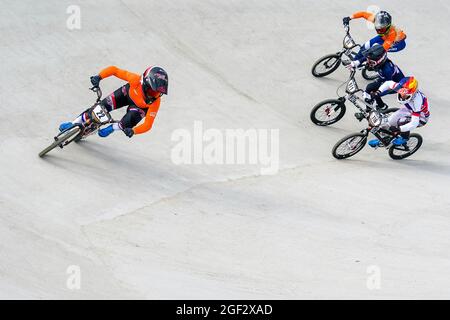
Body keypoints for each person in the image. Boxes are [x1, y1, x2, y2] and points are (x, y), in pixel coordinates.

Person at [59, 65, 169, 138]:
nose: (154, 94)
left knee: (127, 122)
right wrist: (99, 76)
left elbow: (148, 125)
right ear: (144, 83)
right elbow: (115, 70)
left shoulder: (156, 101)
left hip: (139, 108)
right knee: (99, 108)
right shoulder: (135, 80)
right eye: (152, 90)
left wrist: (133, 131)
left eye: (158, 93)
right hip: (126, 94)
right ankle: (73, 124)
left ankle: (113, 127)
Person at [367, 77, 430, 147]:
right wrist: (378, 92)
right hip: (409, 109)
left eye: (405, 96)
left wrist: (399, 129)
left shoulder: (417, 102)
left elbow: (414, 123)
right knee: (390, 121)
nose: (402, 96)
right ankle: (383, 139)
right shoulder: (402, 88)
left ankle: (404, 138)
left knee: (401, 122)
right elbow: (388, 83)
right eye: (401, 94)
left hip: (421, 117)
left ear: (412, 94)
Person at [347, 44, 405, 110]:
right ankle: (380, 106)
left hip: (394, 85)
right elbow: (368, 57)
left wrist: (376, 94)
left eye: (370, 62)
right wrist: (357, 62)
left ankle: (379, 108)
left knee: (371, 90)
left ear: (379, 61)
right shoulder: (380, 61)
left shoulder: (387, 70)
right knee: (370, 90)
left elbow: (388, 87)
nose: (368, 62)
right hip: (385, 78)